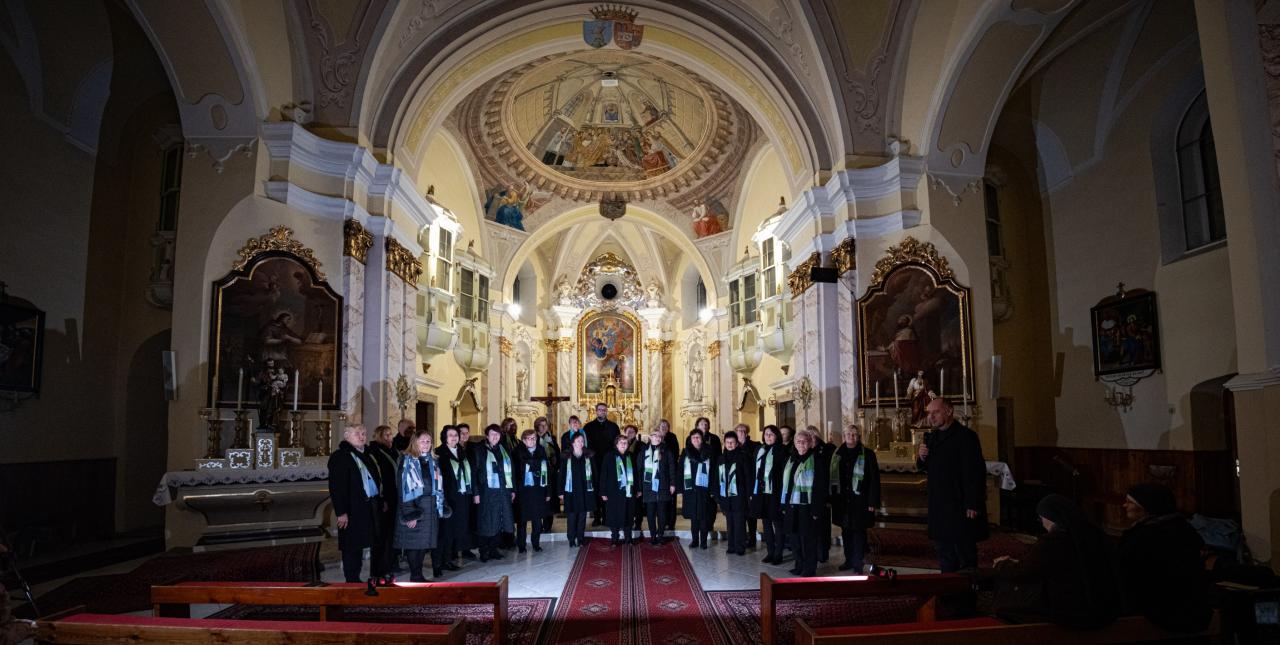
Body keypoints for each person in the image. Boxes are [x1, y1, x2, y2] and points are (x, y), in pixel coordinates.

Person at [984, 494, 1120, 628]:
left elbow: (1024, 572)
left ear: (1049, 517)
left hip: (1071, 611)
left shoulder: (1053, 541)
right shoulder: (1094, 534)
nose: (1042, 523)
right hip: (1104, 604)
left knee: (1010, 599)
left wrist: (1002, 565)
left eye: (1041, 518)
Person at [1118, 483, 1212, 633]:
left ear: (1145, 506)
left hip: (1160, 612)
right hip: (1193, 611)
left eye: (1130, 502)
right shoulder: (1183, 529)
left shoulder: (1143, 537)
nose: (1125, 506)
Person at [916, 398, 988, 572]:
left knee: (965, 555)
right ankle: (948, 586)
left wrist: (973, 502)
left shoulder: (966, 436)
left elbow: (975, 472)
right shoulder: (932, 437)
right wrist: (921, 457)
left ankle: (968, 588)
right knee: (945, 556)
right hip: (939, 506)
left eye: (935, 412)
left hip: (959, 505)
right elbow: (925, 467)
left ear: (949, 411)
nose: (931, 417)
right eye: (929, 413)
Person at [327, 425, 383, 583]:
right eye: (357, 434)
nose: (361, 436)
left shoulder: (367, 454)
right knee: (352, 545)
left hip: (369, 505)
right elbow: (336, 487)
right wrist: (341, 512)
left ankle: (374, 575)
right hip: (351, 508)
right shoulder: (340, 456)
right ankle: (352, 579)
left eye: (363, 433)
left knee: (370, 541)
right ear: (347, 436)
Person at [831, 424, 880, 572]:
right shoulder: (837, 454)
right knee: (846, 531)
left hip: (860, 501)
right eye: (848, 434)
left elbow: (874, 480)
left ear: (858, 437)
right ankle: (848, 560)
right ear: (844, 437)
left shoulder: (868, 454)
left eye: (854, 434)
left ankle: (858, 563)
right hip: (843, 500)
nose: (851, 437)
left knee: (859, 532)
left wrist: (872, 502)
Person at [395, 430, 442, 581]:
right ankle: (415, 576)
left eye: (428, 441)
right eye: (422, 441)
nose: (426, 444)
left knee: (423, 544)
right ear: (415, 443)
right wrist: (410, 514)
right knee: (414, 544)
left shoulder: (432, 461)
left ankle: (419, 574)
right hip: (416, 507)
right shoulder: (407, 461)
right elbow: (403, 489)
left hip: (429, 508)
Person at [781, 430, 829, 577]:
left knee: (808, 539)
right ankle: (799, 565)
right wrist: (783, 505)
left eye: (804, 441)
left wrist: (816, 509)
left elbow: (821, 487)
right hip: (792, 505)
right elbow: (786, 485)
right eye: (798, 441)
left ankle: (809, 568)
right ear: (794, 443)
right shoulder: (790, 459)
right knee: (795, 538)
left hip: (808, 506)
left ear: (810, 443)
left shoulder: (817, 460)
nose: (801, 444)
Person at [474, 424, 515, 562]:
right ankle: (484, 551)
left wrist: (512, 489)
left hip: (503, 491)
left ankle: (494, 549)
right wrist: (476, 493)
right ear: (487, 436)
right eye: (492, 434)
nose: (495, 436)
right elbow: (474, 472)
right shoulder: (480, 450)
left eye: (497, 434)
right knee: (486, 521)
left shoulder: (504, 449)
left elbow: (511, 471)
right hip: (486, 491)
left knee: (499, 520)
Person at [366, 424, 403, 577]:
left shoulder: (393, 451)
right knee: (384, 534)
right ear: (379, 436)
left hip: (395, 496)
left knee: (393, 532)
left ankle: (393, 561)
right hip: (385, 498)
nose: (390, 438)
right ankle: (382, 566)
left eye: (391, 434)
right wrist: (383, 499)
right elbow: (379, 477)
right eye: (387, 435)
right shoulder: (375, 452)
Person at [434, 426, 470, 573]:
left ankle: (449, 559)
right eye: (450, 435)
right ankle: (439, 563)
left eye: (456, 435)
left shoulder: (461, 451)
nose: (454, 437)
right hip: (446, 497)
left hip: (461, 496)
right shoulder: (439, 453)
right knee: (444, 531)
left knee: (454, 529)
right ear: (445, 437)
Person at [751, 425, 786, 564]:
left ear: (777, 436)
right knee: (766, 524)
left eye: (771, 434)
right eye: (766, 434)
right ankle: (770, 551)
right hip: (761, 492)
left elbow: (783, 474)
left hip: (775, 493)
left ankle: (778, 554)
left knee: (778, 524)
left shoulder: (782, 450)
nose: (768, 436)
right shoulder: (760, 450)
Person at [638, 427, 677, 544]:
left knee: (662, 513)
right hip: (648, 486)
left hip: (663, 486)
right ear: (650, 437)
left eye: (660, 436)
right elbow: (639, 470)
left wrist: (672, 484)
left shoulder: (666, 451)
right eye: (655, 435)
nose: (657, 438)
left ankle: (660, 536)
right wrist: (639, 488)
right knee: (650, 514)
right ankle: (652, 536)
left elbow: (672, 468)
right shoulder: (643, 451)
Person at [515, 429, 552, 553]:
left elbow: (547, 471)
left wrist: (548, 491)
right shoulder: (517, 451)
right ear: (523, 440)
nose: (532, 441)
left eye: (534, 438)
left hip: (538, 490)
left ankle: (536, 543)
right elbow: (516, 471)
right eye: (529, 438)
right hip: (523, 491)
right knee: (522, 521)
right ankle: (521, 545)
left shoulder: (541, 450)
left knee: (537, 520)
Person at [680, 430, 718, 549]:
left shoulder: (709, 452)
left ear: (702, 439)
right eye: (693, 437)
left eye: (698, 437)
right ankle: (695, 540)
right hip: (690, 489)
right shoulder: (685, 452)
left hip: (704, 489)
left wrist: (713, 489)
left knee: (704, 517)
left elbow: (714, 472)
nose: (696, 439)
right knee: (694, 518)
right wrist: (681, 489)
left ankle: (704, 542)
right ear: (690, 440)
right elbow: (680, 470)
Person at [584, 403, 620, 526]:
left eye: (604, 410)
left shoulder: (613, 427)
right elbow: (586, 445)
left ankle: (606, 516)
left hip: (609, 462)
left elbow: (616, 444)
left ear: (606, 411)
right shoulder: (588, 427)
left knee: (607, 488)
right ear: (596, 411)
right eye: (600, 410)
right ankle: (596, 517)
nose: (602, 412)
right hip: (594, 462)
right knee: (595, 489)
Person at [601, 435, 641, 545]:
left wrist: (638, 489)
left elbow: (636, 474)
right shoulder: (609, 456)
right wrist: (603, 492)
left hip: (628, 491)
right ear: (616, 444)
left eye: (625, 443)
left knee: (629, 514)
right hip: (613, 492)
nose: (623, 445)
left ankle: (628, 538)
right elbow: (603, 475)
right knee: (614, 515)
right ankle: (615, 538)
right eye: (621, 442)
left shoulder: (631, 456)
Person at [717, 432, 752, 555]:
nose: (730, 444)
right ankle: (731, 546)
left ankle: (740, 547)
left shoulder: (743, 457)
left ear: (737, 443)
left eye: (732, 442)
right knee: (730, 522)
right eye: (727, 442)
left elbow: (748, 477)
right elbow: (718, 477)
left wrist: (749, 495)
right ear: (724, 443)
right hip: (726, 496)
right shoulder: (721, 458)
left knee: (739, 523)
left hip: (739, 495)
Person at [559, 433, 594, 547]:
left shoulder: (588, 455)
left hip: (584, 491)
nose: (581, 443)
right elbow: (561, 475)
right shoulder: (566, 456)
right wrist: (560, 491)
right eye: (578, 441)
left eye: (582, 441)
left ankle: (580, 538)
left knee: (582, 516)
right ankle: (571, 539)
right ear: (573, 443)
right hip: (571, 491)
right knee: (572, 516)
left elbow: (594, 474)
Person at [735, 424, 759, 547]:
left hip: (750, 483)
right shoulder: (732, 445)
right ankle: (742, 538)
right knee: (740, 514)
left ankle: (752, 538)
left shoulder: (755, 445)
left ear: (747, 432)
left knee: (751, 513)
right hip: (737, 484)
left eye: (744, 430)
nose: (741, 432)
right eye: (739, 430)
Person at [535, 416, 560, 532]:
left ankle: (548, 524)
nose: (544, 427)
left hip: (551, 472)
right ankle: (538, 524)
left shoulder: (551, 438)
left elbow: (557, 452)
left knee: (550, 499)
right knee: (540, 499)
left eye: (545, 425)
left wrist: (557, 466)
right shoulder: (534, 438)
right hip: (539, 473)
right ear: (537, 426)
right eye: (541, 425)